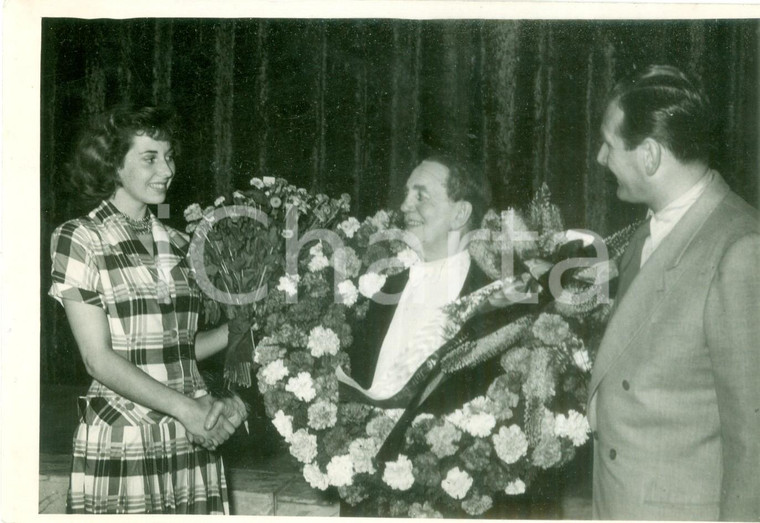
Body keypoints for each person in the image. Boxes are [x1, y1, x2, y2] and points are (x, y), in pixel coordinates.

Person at [49, 106, 248, 514]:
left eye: (170, 155)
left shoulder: (180, 244)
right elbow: (97, 359)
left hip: (190, 435)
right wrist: (187, 409)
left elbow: (176, 351)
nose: (167, 168)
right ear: (113, 164)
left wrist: (245, 324)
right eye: (150, 157)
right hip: (126, 436)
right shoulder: (80, 238)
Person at [589, 65, 760, 520]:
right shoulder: (649, 232)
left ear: (648, 156)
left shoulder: (740, 249)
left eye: (609, 144)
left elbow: (753, 441)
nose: (599, 159)